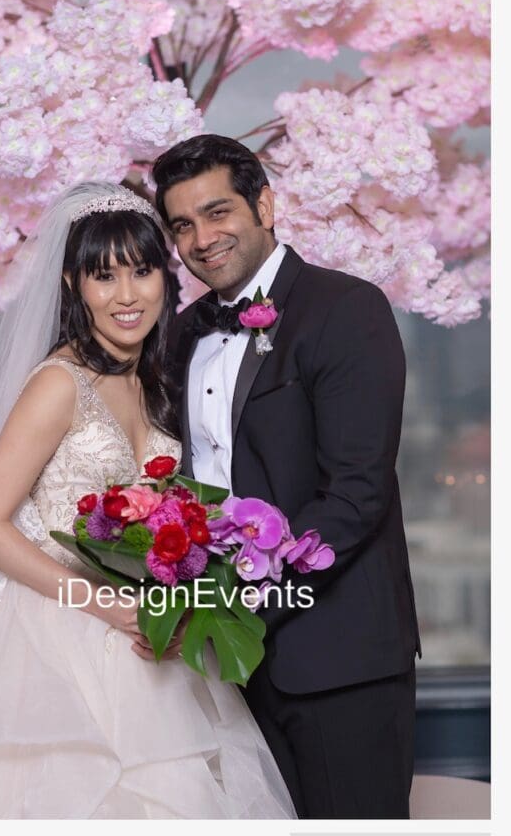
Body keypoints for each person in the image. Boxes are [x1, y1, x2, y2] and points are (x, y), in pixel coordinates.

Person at [0, 181, 295, 820]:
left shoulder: (156, 380)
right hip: (57, 640)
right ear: (71, 285)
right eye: (103, 277)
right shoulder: (59, 383)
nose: (127, 295)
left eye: (142, 271)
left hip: (148, 632)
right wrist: (105, 604)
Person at [152, 135, 422, 820]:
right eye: (183, 224)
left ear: (264, 204)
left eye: (217, 213)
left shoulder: (346, 309)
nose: (201, 238)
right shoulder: (181, 335)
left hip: (337, 661)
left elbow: (355, 495)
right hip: (220, 674)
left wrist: (233, 602)